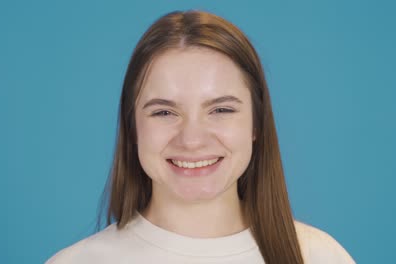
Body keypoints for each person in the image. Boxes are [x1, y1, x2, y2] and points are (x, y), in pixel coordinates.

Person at [46, 10, 355, 264]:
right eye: (164, 113)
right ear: (133, 129)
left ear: (256, 125)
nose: (192, 140)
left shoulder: (320, 256)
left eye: (221, 109)